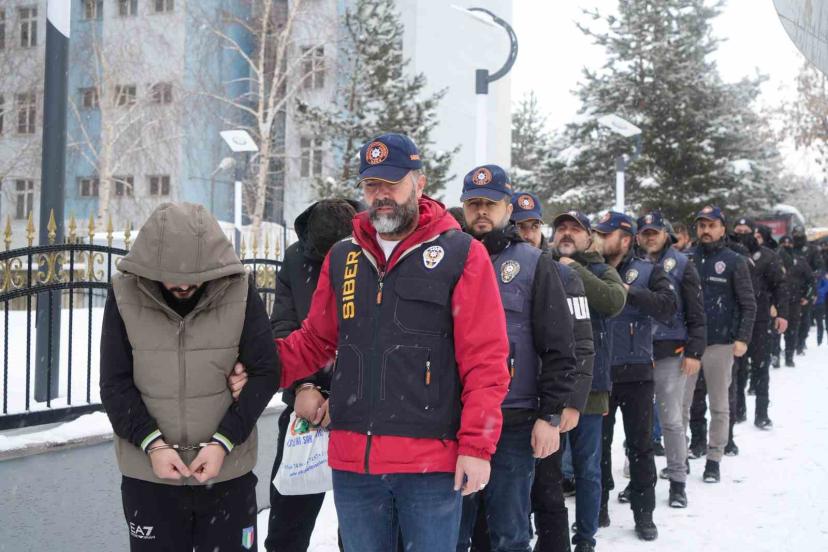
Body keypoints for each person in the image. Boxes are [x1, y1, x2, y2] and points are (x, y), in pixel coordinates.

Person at [272, 133, 511, 552]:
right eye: (371, 185)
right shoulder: (343, 256)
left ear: (419, 184)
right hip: (354, 465)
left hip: (431, 464)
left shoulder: (461, 254)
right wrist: (255, 368)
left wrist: (476, 446)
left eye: (392, 183)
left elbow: (485, 359)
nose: (381, 195)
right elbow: (314, 341)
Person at [100, 202, 280, 551]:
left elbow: (265, 372)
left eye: (194, 274)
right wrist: (152, 444)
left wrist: (223, 442)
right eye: (172, 274)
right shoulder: (123, 293)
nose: (183, 284)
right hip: (149, 478)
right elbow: (114, 383)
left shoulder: (240, 290)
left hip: (227, 475)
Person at [456, 173, 582, 552]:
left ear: (507, 209)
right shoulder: (446, 258)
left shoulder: (533, 263)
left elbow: (559, 346)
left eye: (490, 204)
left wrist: (550, 414)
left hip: (512, 419)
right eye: (474, 203)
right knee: (452, 535)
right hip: (454, 419)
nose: (481, 211)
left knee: (510, 534)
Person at [261, 199, 359, 552]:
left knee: (361, 528)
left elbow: (373, 337)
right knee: (287, 523)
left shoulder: (372, 252)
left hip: (362, 407)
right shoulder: (295, 258)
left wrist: (345, 396)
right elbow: (284, 326)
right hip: (303, 407)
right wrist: (304, 386)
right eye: (323, 258)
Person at [506, 192, 595, 552]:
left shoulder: (563, 274)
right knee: (505, 499)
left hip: (548, 400)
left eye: (532, 226)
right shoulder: (494, 268)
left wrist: (572, 402)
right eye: (519, 226)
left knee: (547, 492)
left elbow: (582, 343)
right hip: (507, 402)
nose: (526, 234)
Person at [594, 212, 676, 542]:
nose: (600, 239)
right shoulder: (591, 268)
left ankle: (644, 514)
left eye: (606, 234)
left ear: (626, 239)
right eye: (598, 233)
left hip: (637, 372)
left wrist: (629, 291)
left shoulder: (648, 270)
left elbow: (668, 307)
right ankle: (597, 506)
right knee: (596, 448)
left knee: (641, 447)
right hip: (599, 373)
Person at [549, 211, 627, 551]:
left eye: (574, 229)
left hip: (591, 386)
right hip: (550, 384)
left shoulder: (600, 270)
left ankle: (585, 539)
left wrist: (574, 270)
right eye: (561, 228)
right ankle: (552, 536)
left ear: (588, 237)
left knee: (588, 469)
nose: (566, 234)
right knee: (547, 470)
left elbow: (613, 302)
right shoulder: (543, 265)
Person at [636, 211, 706, 508]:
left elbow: (696, 311)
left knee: (672, 420)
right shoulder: (629, 264)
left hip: (670, 351)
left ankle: (678, 481)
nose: (650, 237)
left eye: (655, 231)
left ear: (666, 234)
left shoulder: (682, 263)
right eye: (645, 232)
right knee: (637, 423)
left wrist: (694, 351)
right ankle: (640, 481)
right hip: (635, 352)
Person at [683, 206, 756, 484]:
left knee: (719, 405)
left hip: (721, 344)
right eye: (702, 225)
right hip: (688, 344)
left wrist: (742, 338)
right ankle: (681, 457)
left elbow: (748, 303)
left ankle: (714, 459)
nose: (706, 230)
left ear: (723, 229)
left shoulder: (734, 261)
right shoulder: (686, 258)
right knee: (681, 405)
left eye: (712, 225)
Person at [730, 218, 787, 436]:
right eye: (739, 231)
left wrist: (781, 313)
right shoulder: (729, 254)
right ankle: (739, 409)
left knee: (761, 367)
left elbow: (780, 285)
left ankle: (762, 413)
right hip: (735, 320)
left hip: (761, 319)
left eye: (747, 231)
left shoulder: (768, 257)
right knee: (737, 369)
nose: (742, 234)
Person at [778, 236, 815, 367]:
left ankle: (789, 356)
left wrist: (807, 296)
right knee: (775, 330)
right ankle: (775, 355)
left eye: (789, 243)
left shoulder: (800, 261)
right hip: (777, 301)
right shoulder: (774, 259)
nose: (786, 245)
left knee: (792, 329)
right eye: (784, 243)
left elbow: (811, 280)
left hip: (794, 301)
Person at [791, 225, 823, 354]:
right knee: (791, 317)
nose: (797, 236)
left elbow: (819, 268)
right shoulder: (788, 248)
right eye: (795, 234)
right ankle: (791, 342)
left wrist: (811, 277)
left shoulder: (812, 249)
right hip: (790, 287)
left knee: (805, 317)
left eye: (800, 234)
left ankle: (801, 342)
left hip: (807, 287)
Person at [815, 272, 828, 346]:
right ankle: (819, 340)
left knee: (821, 322)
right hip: (819, 302)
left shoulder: (822, 278)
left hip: (821, 302)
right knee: (819, 322)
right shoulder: (821, 278)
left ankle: (819, 340)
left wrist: (817, 293)